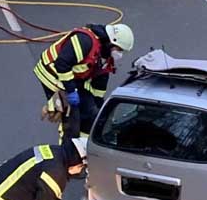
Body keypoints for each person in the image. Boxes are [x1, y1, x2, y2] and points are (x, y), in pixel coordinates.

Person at [34, 23, 134, 153]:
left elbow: (99, 85)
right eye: (119, 49)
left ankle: (83, 147)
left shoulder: (105, 56)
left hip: (73, 78)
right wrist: (71, 91)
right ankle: (67, 151)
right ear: (111, 42)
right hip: (51, 74)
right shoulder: (85, 41)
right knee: (72, 115)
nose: (120, 53)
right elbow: (62, 64)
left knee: (90, 115)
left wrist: (99, 107)